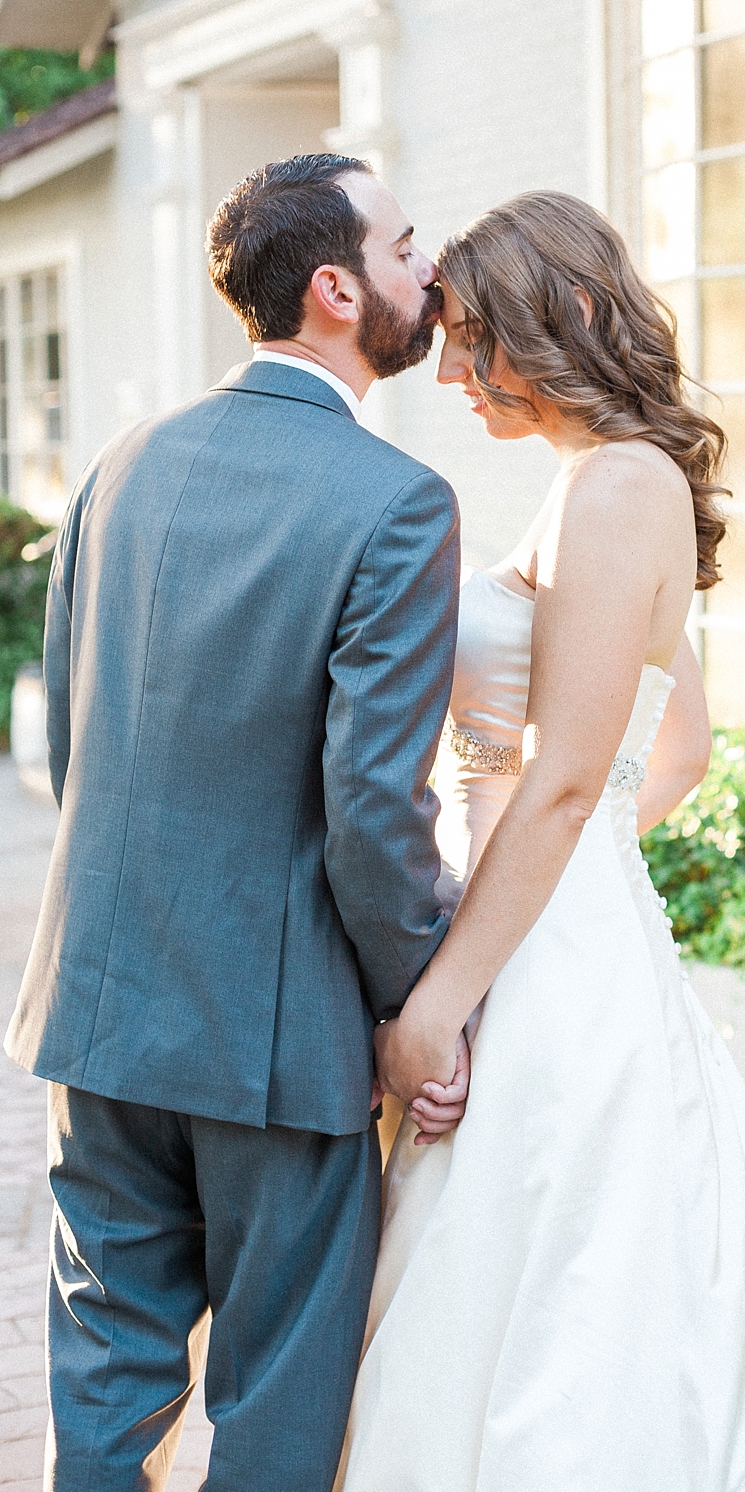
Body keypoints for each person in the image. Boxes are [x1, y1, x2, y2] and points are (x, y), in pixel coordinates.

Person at [335, 191, 745, 1491]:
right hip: (549, 917)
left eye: (470, 337)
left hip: (549, 950)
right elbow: (678, 751)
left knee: (572, 1298)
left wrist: (443, 996)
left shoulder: (618, 490)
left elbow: (569, 785)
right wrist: (554, 839)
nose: (448, 371)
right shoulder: (595, 484)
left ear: (568, 315)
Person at [4, 154, 470, 1491]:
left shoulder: (119, 463)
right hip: (278, 1044)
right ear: (336, 288)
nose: (426, 270)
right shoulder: (395, 504)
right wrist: (416, 1010)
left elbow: (67, 743)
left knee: (99, 1392)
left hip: (96, 1016)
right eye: (405, 245)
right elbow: (373, 812)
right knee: (275, 1406)